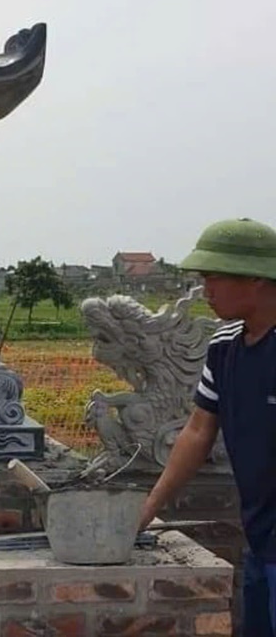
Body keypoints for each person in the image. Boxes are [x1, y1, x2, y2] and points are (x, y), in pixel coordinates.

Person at [139, 217, 276, 636]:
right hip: (261, 535)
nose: (206, 291)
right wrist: (147, 509)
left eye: (214, 277)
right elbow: (198, 432)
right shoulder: (224, 346)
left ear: (256, 278)